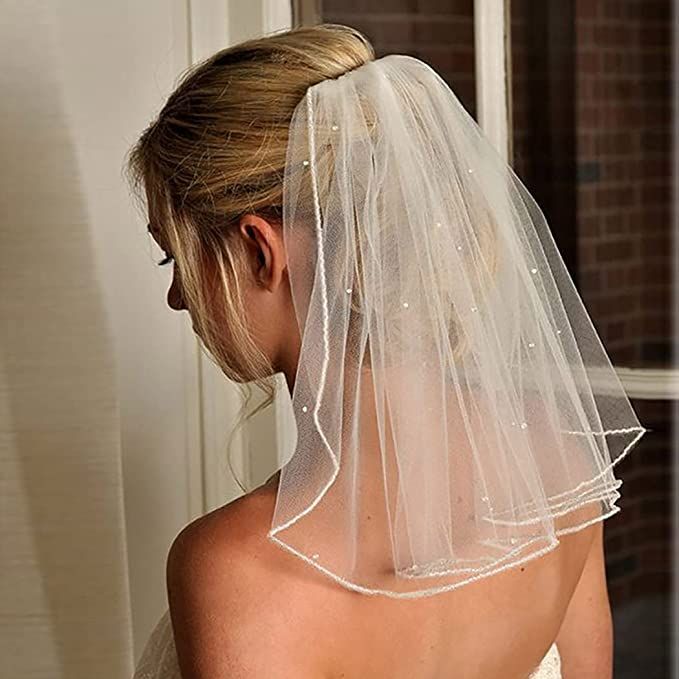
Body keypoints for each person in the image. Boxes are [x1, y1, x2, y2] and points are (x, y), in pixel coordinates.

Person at [126, 23, 646, 679]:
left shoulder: (235, 566)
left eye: (175, 254)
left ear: (261, 251)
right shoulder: (557, 465)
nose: (178, 297)